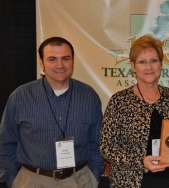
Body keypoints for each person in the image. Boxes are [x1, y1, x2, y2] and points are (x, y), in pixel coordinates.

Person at [0, 37, 105, 188]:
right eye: (52, 59)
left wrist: (93, 177)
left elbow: (97, 143)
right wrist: (13, 180)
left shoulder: (89, 96)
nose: (60, 65)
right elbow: (5, 143)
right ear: (42, 63)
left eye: (65, 58)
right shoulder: (20, 97)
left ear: (72, 61)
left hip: (79, 180)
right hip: (32, 181)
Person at [100, 34, 169, 188]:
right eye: (142, 62)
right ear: (133, 67)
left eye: (154, 61)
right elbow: (106, 146)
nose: (149, 67)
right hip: (128, 182)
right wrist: (140, 161)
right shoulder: (119, 101)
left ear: (161, 64)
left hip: (168, 181)